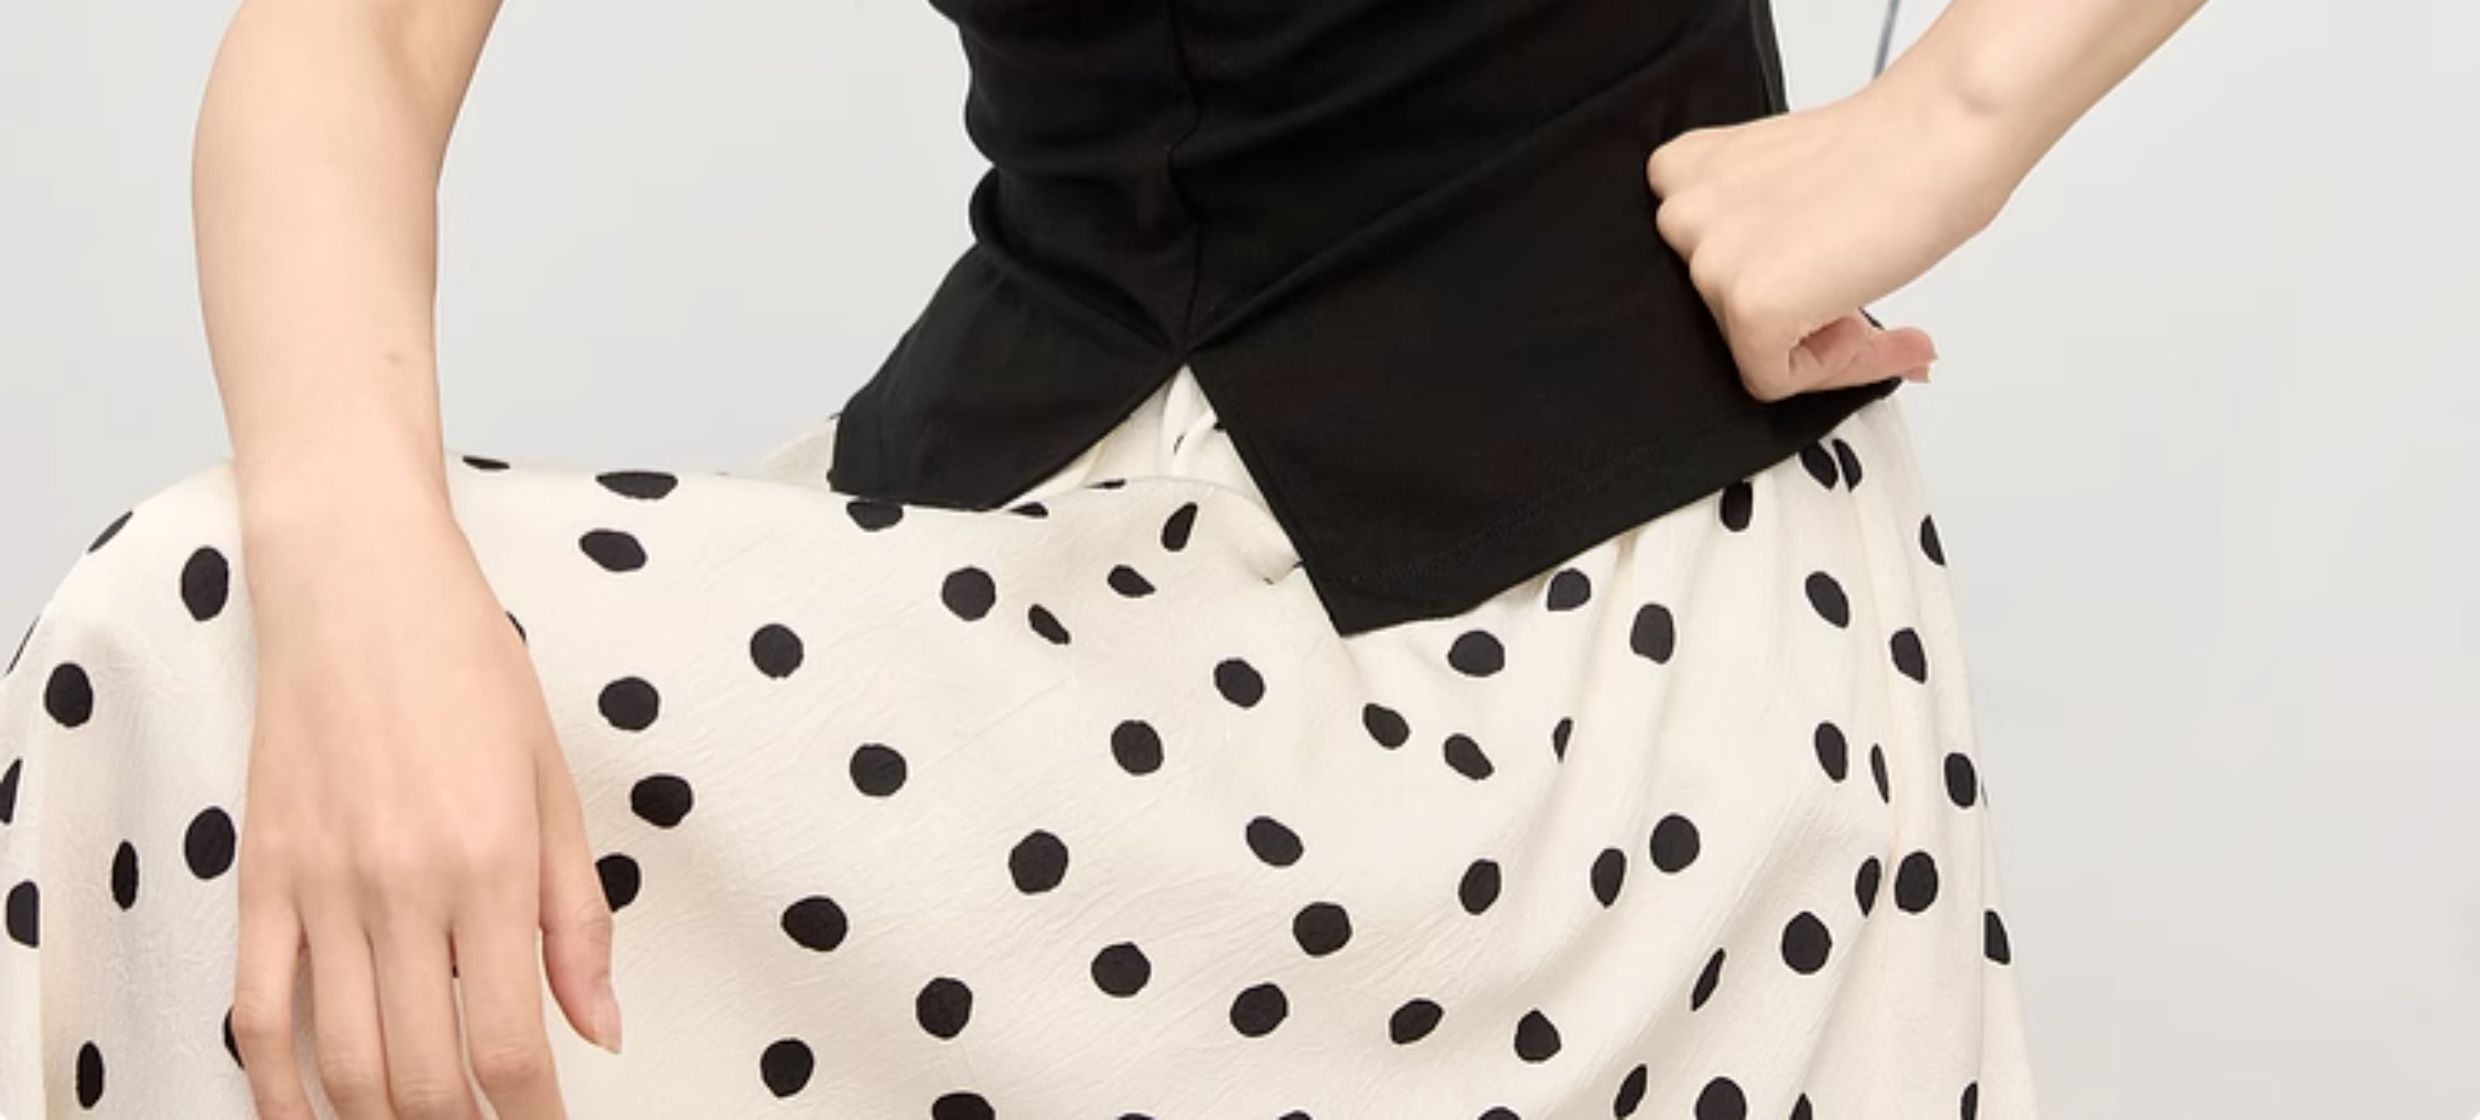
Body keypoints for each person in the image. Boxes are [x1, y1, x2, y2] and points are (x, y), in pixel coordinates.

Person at [0, 0, 2207, 1114]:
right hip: (1042, 587)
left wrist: (1949, 119)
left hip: (1613, 713)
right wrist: (362, 570)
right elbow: (354, 37)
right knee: (207, 654)